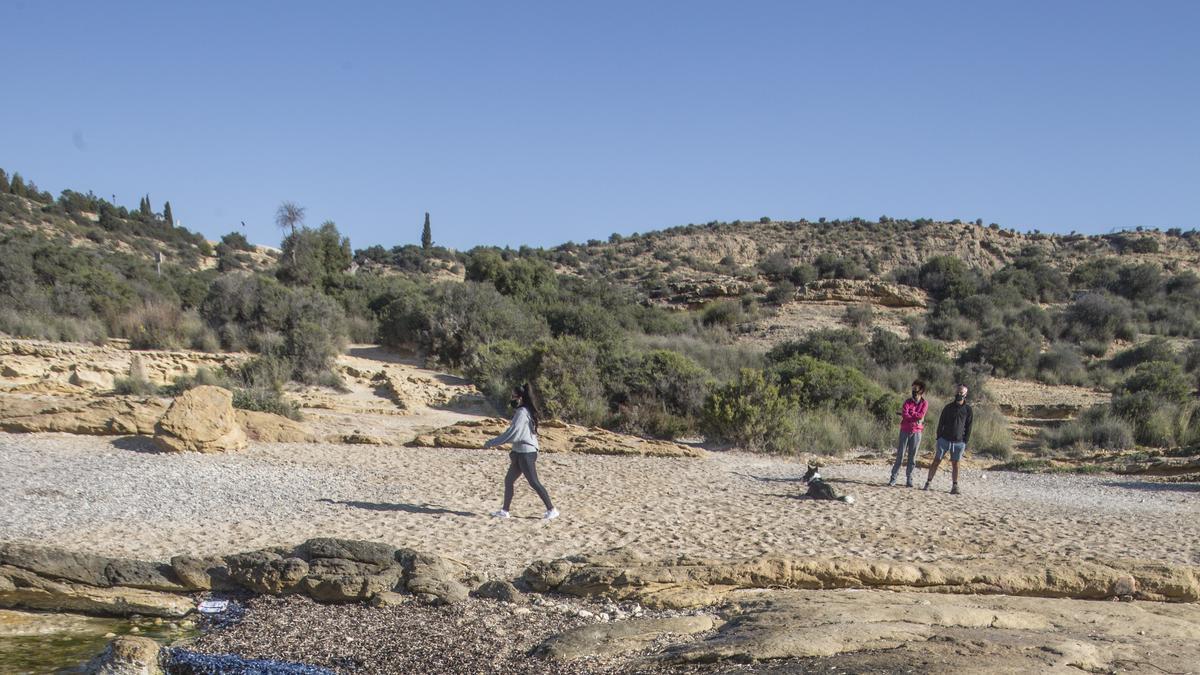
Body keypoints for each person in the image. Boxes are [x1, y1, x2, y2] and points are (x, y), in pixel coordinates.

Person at [484, 383, 559, 520]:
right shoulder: (525, 411)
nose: (511, 399)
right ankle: (505, 511)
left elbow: (513, 433)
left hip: (526, 453)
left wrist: (492, 443)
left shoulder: (522, 412)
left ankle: (551, 509)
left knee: (534, 482)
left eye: (513, 396)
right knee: (508, 480)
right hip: (520, 452)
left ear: (520, 398)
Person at [923, 383, 973, 495]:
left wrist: (965, 441)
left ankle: (955, 486)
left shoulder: (968, 410)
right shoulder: (948, 407)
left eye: (961, 392)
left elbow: (969, 426)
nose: (959, 394)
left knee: (956, 463)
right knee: (936, 460)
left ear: (965, 394)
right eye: (958, 392)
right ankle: (928, 482)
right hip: (944, 439)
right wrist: (939, 436)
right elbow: (941, 422)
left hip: (959, 442)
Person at [888, 380, 927, 487]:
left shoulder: (924, 403)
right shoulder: (907, 402)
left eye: (916, 389)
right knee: (900, 455)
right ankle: (893, 478)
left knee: (912, 457)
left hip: (917, 432)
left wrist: (912, 414)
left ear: (921, 391)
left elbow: (921, 415)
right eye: (913, 389)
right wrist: (915, 416)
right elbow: (906, 415)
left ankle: (909, 479)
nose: (914, 392)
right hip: (905, 431)